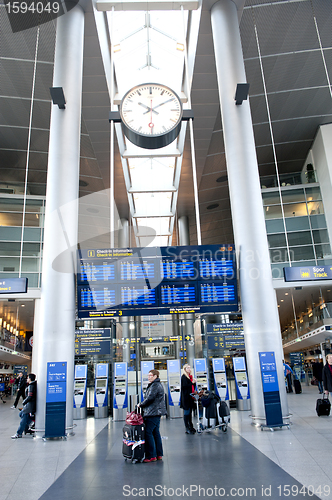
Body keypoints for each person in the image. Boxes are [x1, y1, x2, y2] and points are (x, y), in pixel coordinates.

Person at [137, 369, 166, 463]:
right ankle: (158, 454)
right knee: (155, 433)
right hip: (156, 412)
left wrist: (141, 404)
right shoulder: (156, 385)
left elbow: (150, 398)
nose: (148, 377)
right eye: (148, 375)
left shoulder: (155, 385)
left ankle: (151, 456)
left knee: (148, 433)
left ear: (155, 376)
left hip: (152, 413)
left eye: (150, 375)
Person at [11, 373, 37, 439]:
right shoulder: (32, 385)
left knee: (23, 418)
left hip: (29, 406)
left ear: (30, 379)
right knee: (21, 414)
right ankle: (27, 428)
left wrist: (24, 401)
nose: (27, 379)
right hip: (29, 405)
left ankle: (19, 433)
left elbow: (30, 396)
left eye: (28, 378)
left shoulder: (31, 386)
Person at [180, 364, 197, 434]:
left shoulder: (190, 377)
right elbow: (185, 386)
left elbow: (192, 386)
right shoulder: (184, 377)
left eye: (190, 368)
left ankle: (191, 426)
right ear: (184, 369)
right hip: (186, 398)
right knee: (187, 413)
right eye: (188, 368)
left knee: (189, 413)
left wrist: (193, 383)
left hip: (190, 397)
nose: (189, 369)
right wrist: (192, 382)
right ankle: (187, 427)